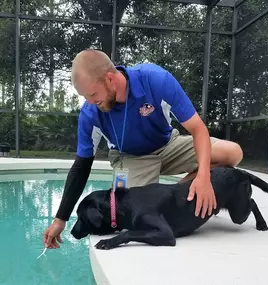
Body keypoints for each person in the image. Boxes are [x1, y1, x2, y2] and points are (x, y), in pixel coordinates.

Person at [43, 49, 243, 249]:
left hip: (169, 146)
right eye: (85, 96)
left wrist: (203, 178)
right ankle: (183, 194)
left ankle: (185, 193)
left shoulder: (155, 79)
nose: (90, 102)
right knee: (130, 217)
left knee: (232, 153)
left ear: (110, 79)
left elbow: (198, 129)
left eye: (93, 94)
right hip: (131, 159)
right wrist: (61, 219)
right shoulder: (90, 113)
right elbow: (81, 166)